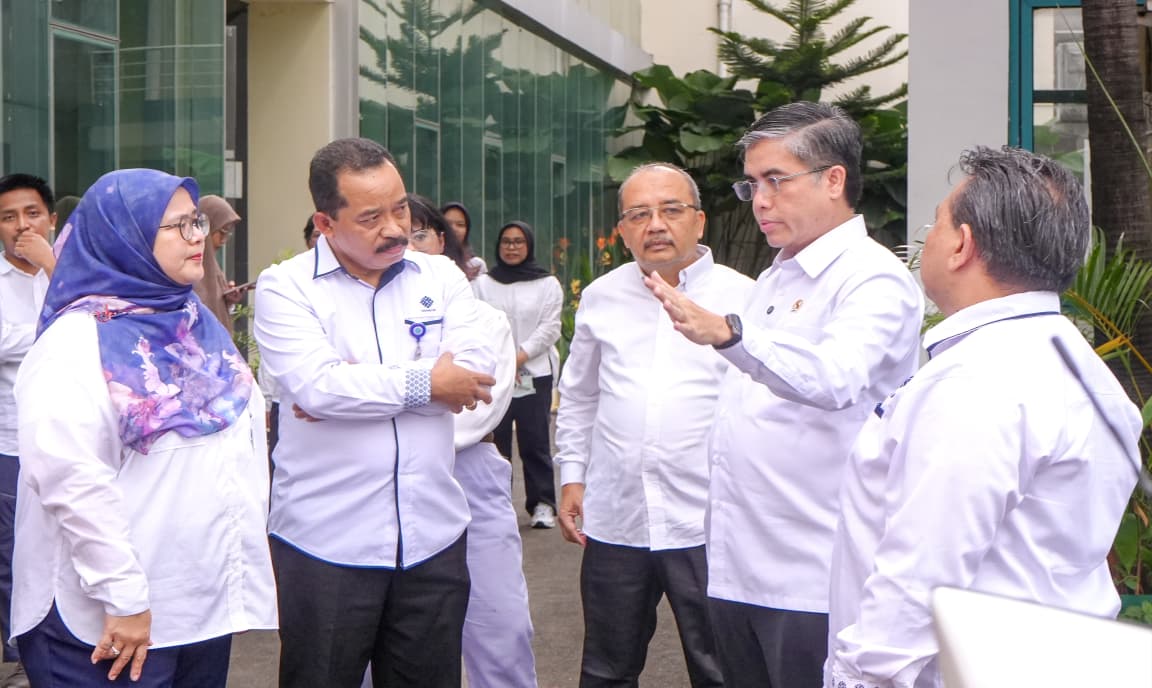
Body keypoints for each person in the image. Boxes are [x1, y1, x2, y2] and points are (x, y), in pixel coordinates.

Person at [824, 146, 1142, 688]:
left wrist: (860, 678)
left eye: (936, 224)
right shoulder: (1079, 365)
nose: (928, 238)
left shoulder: (977, 380)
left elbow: (922, 571)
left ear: (962, 246)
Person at [644, 101, 924, 687]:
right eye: (752, 184)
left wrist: (729, 333)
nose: (761, 200)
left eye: (776, 180)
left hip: (814, 575)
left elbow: (836, 377)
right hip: (739, 566)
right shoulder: (774, 276)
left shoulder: (872, 277)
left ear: (834, 179)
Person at [11, 168, 277, 687]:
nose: (197, 237)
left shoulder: (194, 322)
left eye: (197, 221)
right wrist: (125, 597)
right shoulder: (75, 341)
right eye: (177, 226)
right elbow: (71, 479)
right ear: (123, 237)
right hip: (111, 621)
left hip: (198, 608)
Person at [254, 137, 497, 688]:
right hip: (327, 544)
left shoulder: (440, 276)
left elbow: (473, 372)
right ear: (325, 223)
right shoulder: (286, 288)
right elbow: (319, 387)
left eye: (400, 208)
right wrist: (427, 382)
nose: (394, 228)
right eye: (371, 217)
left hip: (433, 537)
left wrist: (357, 387)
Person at [555, 163, 752, 687]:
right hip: (618, 517)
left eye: (671, 210)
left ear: (699, 221)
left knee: (721, 670)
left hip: (708, 519)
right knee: (606, 669)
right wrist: (572, 476)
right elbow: (580, 395)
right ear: (622, 231)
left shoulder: (745, 297)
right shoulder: (602, 296)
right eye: (639, 215)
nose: (656, 225)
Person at [406, 194, 538, 688]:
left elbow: (475, 412)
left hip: (469, 474)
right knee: (392, 637)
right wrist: (433, 389)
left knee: (499, 627)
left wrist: (388, 397)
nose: (409, 245)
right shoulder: (367, 320)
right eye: (397, 236)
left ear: (443, 241)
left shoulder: (485, 320)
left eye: (420, 233)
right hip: (386, 479)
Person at [0, 173, 58, 688]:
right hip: (11, 442)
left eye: (32, 213)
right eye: (9, 216)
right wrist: (58, 326)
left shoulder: (68, 273)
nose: (22, 225)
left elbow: (103, 320)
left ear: (51, 219)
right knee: (13, 556)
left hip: (70, 440)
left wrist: (55, 270)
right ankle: (22, 655)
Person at [473, 221, 563, 529]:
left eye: (519, 242)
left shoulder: (547, 284)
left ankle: (543, 503)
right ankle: (496, 505)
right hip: (493, 375)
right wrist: (502, 362)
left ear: (530, 246)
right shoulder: (483, 284)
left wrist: (517, 357)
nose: (512, 247)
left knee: (535, 441)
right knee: (494, 442)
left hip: (533, 374)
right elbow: (476, 324)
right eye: (506, 241)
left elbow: (549, 328)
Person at [193, 195, 246, 332]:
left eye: (228, 233)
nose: (224, 239)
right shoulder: (189, 269)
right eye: (222, 232)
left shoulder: (212, 266)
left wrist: (227, 300)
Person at [441, 201, 486, 279]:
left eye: (460, 225)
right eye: (448, 224)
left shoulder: (476, 264)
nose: (454, 229)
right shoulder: (426, 260)